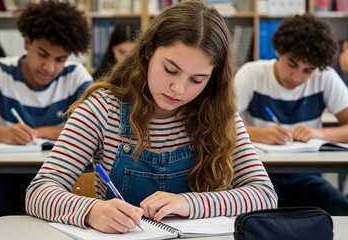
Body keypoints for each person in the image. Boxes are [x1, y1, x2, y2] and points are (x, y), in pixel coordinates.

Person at [26, 1, 277, 234]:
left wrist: (189, 203)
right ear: (147, 52)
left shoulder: (220, 113)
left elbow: (264, 195)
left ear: (212, 79)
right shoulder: (102, 109)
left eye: (197, 80)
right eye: (170, 70)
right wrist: (92, 211)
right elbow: (39, 192)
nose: (178, 88)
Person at [0, 0, 92, 227]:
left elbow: (92, 129)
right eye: (42, 54)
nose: (49, 67)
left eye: (60, 59)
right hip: (5, 176)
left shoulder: (76, 75)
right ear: (27, 42)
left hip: (59, 176)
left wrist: (36, 131)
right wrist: (4, 133)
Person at [235, 13, 348, 215]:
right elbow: (219, 123)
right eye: (292, 64)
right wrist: (260, 134)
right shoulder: (252, 74)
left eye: (308, 70)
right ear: (279, 50)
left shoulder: (326, 77)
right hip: (259, 175)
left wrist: (318, 134)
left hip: (307, 176)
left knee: (340, 209)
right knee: (258, 217)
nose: (297, 77)